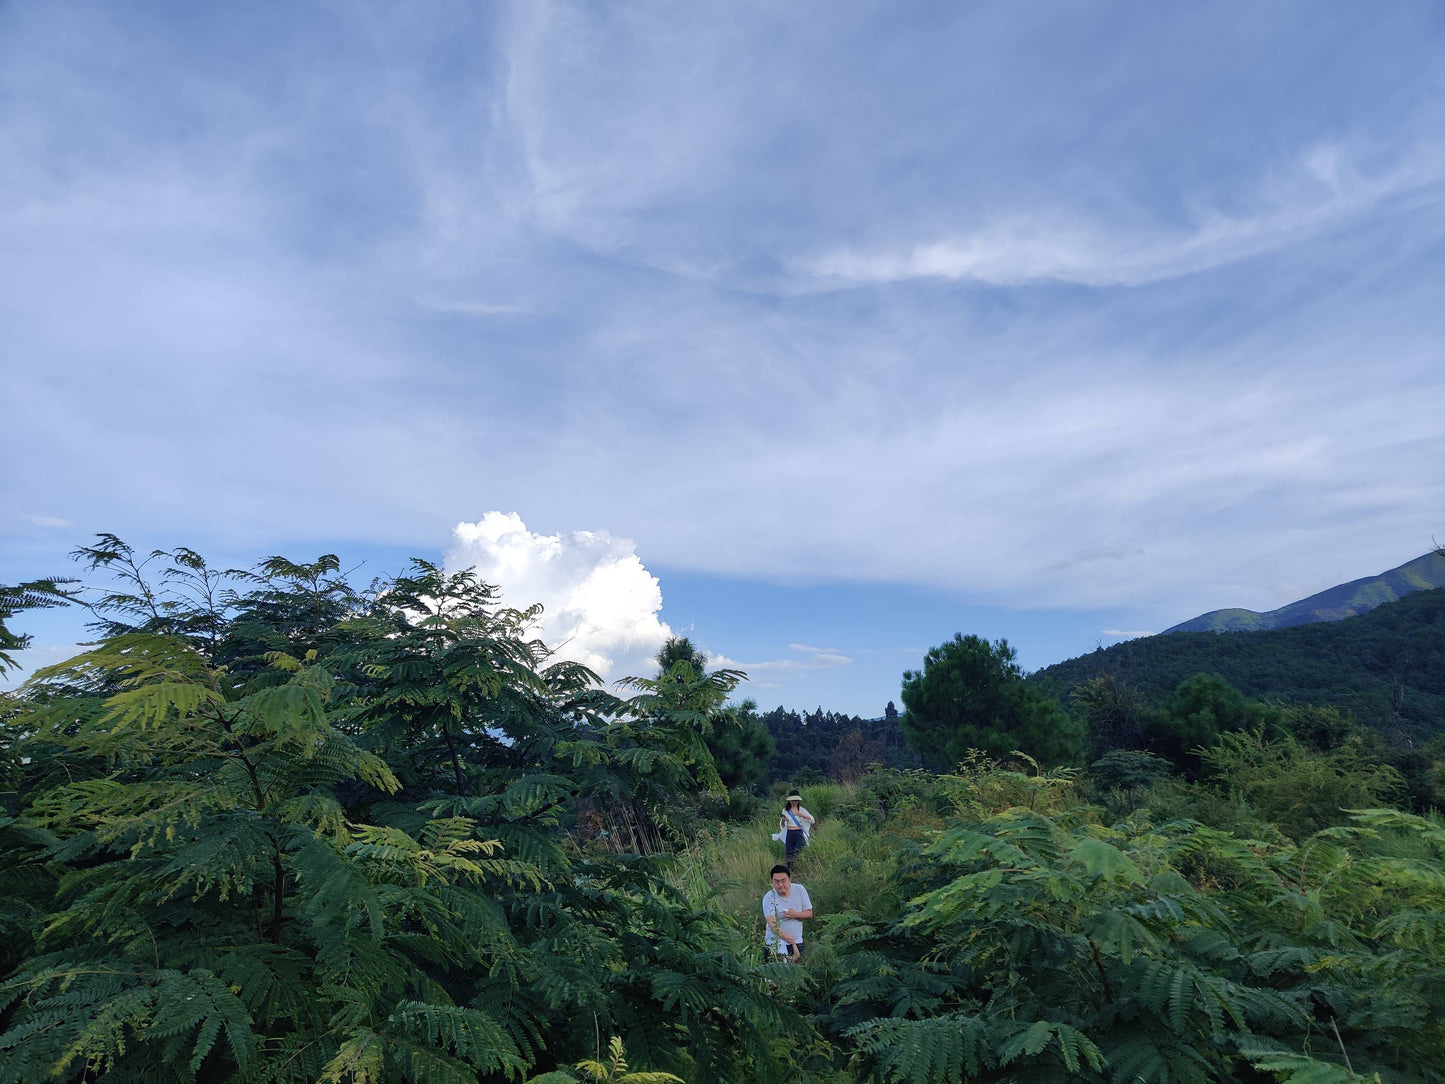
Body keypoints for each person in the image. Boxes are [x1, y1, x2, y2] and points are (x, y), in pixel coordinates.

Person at [762, 865, 813, 962]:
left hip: (797, 941)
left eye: (783, 881)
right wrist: (784, 936)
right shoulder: (769, 897)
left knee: (797, 973)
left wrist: (796, 915)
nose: (780, 884)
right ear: (772, 882)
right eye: (776, 881)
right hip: (775, 943)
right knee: (776, 973)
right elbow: (772, 924)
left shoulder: (800, 890)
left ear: (789, 880)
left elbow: (809, 913)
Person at [778, 792, 815, 873]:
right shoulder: (785, 810)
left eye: (796, 800)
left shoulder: (802, 810)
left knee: (797, 851)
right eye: (792, 801)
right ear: (789, 801)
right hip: (790, 833)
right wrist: (783, 821)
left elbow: (812, 820)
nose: (794, 802)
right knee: (789, 852)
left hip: (799, 833)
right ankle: (790, 870)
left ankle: (797, 868)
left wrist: (802, 815)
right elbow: (782, 825)